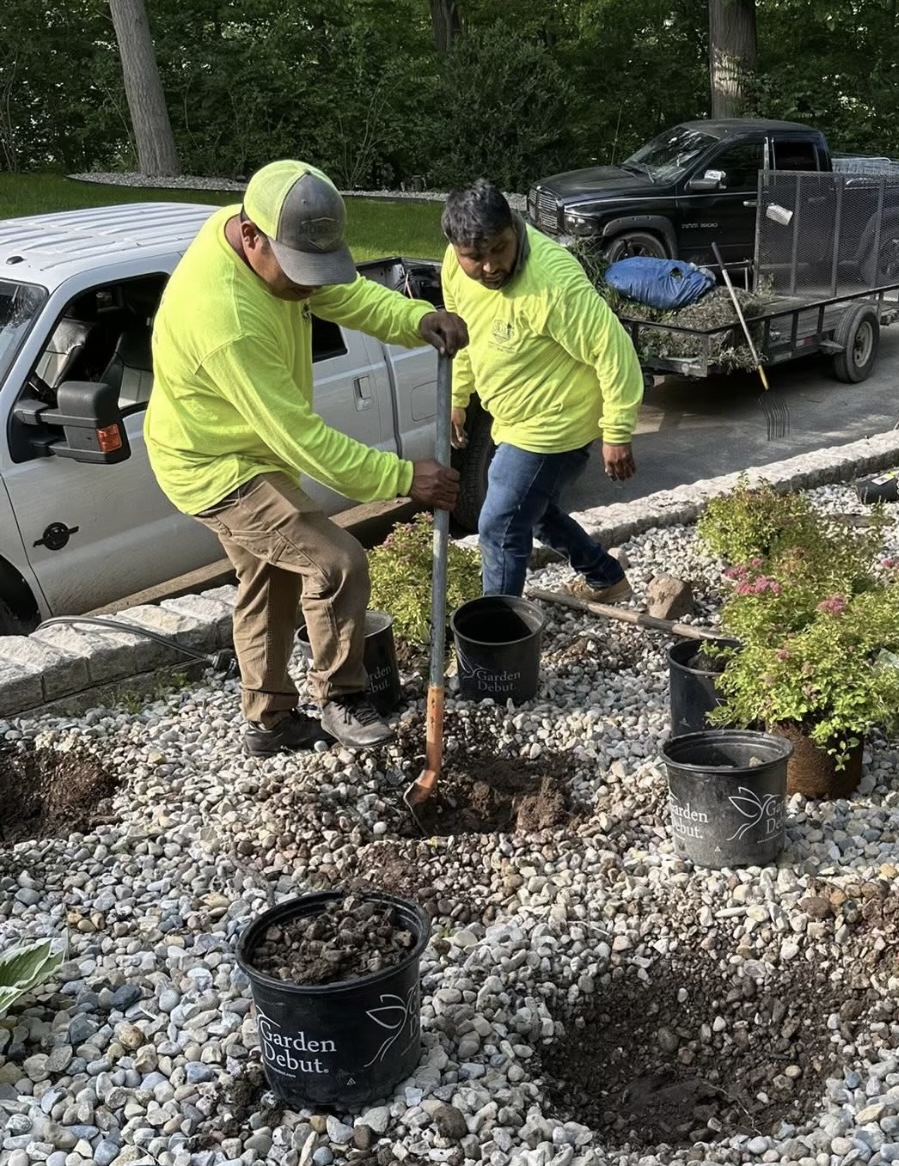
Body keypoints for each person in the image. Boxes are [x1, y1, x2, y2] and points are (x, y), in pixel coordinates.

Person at [145, 159, 466, 756]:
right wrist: (401, 476)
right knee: (336, 563)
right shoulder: (227, 321)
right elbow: (301, 438)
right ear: (251, 237)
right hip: (216, 465)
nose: (307, 286)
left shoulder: (251, 226)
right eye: (297, 272)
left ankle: (269, 723)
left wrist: (416, 318)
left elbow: (340, 291)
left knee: (269, 580)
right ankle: (340, 696)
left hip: (248, 442)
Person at [440, 179, 643, 601]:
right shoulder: (454, 266)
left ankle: (498, 630)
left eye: (499, 249)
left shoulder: (553, 282)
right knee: (530, 509)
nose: (490, 267)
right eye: (475, 257)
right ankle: (606, 577)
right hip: (511, 416)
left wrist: (617, 430)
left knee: (499, 524)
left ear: (513, 229)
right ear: (457, 249)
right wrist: (459, 396)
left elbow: (614, 348)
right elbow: (464, 332)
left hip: (556, 421)